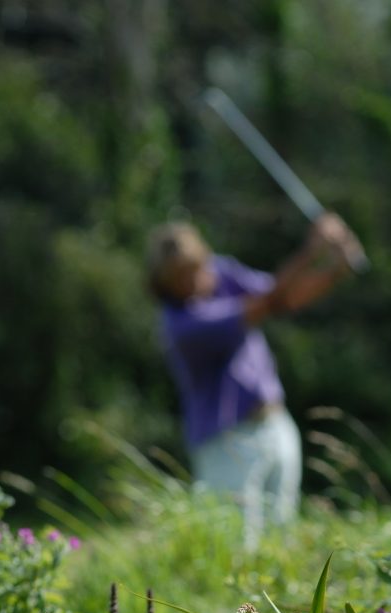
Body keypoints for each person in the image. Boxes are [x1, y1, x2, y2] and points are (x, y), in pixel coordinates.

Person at [147, 213, 364, 547]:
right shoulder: (183, 325)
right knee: (236, 549)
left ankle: (269, 603)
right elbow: (268, 301)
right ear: (165, 283)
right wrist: (313, 249)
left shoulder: (220, 272)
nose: (194, 280)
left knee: (281, 541)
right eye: (181, 277)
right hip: (225, 443)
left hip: (276, 426)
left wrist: (334, 270)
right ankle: (239, 606)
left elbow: (286, 298)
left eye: (197, 268)